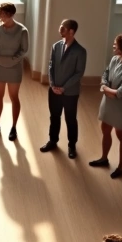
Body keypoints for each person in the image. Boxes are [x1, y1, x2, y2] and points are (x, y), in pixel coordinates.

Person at [91, 34, 122, 179]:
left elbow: (119, 94)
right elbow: (106, 74)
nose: (113, 47)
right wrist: (105, 85)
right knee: (105, 129)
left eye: (115, 45)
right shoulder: (114, 59)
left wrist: (105, 88)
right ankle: (104, 158)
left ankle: (120, 167)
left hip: (120, 108)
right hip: (108, 102)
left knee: (121, 135)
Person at [41, 19, 86, 158]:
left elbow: (79, 73)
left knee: (70, 119)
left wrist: (64, 87)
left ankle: (72, 145)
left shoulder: (80, 51)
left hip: (70, 92)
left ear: (71, 31)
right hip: (54, 90)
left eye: (63, 27)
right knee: (54, 116)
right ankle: (52, 140)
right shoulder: (56, 46)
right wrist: (52, 84)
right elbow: (51, 66)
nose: (60, 29)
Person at [0, 2, 29, 141]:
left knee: (14, 97)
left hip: (14, 67)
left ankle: (13, 127)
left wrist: (12, 60)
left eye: (3, 14)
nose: (0, 16)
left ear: (11, 15)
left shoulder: (22, 31)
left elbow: (24, 50)